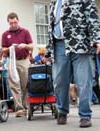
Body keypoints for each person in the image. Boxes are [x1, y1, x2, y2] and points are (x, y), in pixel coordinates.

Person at [44, 0, 100, 128]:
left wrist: (96, 39)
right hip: (59, 45)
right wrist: (48, 50)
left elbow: (92, 18)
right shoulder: (54, 2)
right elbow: (51, 26)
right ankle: (62, 111)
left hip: (80, 44)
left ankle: (85, 115)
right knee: (59, 81)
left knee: (83, 81)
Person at [2, 12, 33, 117]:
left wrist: (25, 46)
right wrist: (10, 48)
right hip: (12, 60)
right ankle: (19, 108)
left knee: (25, 84)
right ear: (8, 22)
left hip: (24, 60)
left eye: (15, 22)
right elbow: (3, 49)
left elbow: (32, 46)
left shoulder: (25, 32)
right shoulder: (5, 34)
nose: (13, 25)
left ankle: (26, 106)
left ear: (18, 20)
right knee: (14, 85)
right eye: (11, 23)